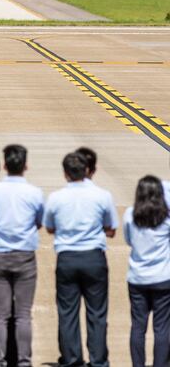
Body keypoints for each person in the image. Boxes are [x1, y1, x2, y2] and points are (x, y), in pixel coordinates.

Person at [44, 152, 117, 367]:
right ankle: (98, 360)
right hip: (93, 257)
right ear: (87, 171)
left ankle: (72, 359)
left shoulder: (56, 197)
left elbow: (49, 227)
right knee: (97, 313)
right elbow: (111, 228)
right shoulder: (102, 196)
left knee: (67, 313)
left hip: (66, 258)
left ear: (65, 173)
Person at [0, 144, 44, 367]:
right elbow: (39, 222)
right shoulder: (35, 193)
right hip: (25, 256)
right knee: (23, 314)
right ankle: (24, 360)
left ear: (5, 165)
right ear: (25, 165)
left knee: (0, 314)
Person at [124, 175, 170, 367]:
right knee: (162, 327)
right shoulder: (166, 218)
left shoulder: (129, 214)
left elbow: (128, 240)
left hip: (138, 277)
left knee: (138, 326)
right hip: (163, 277)